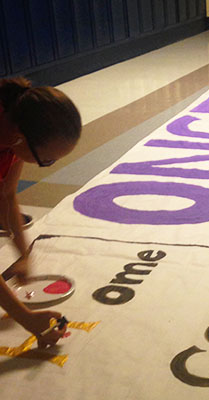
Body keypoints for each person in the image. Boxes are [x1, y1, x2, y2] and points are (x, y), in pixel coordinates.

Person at [0, 77, 82, 347]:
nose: (45, 165)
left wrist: (23, 256)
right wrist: (28, 319)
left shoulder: (14, 128)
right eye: (47, 160)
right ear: (20, 137)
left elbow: (8, 196)